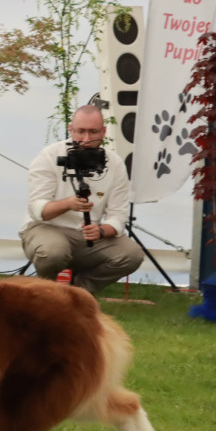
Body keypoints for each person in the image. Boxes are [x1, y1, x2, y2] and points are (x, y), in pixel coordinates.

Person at [19, 104, 144, 294]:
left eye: (93, 132)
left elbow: (118, 216)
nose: (86, 139)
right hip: (47, 228)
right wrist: (68, 204)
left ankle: (78, 293)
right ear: (71, 129)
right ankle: (45, 294)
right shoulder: (50, 155)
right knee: (53, 251)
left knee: (132, 254)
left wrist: (101, 230)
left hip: (88, 236)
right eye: (81, 132)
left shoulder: (115, 164)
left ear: (103, 131)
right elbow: (38, 210)